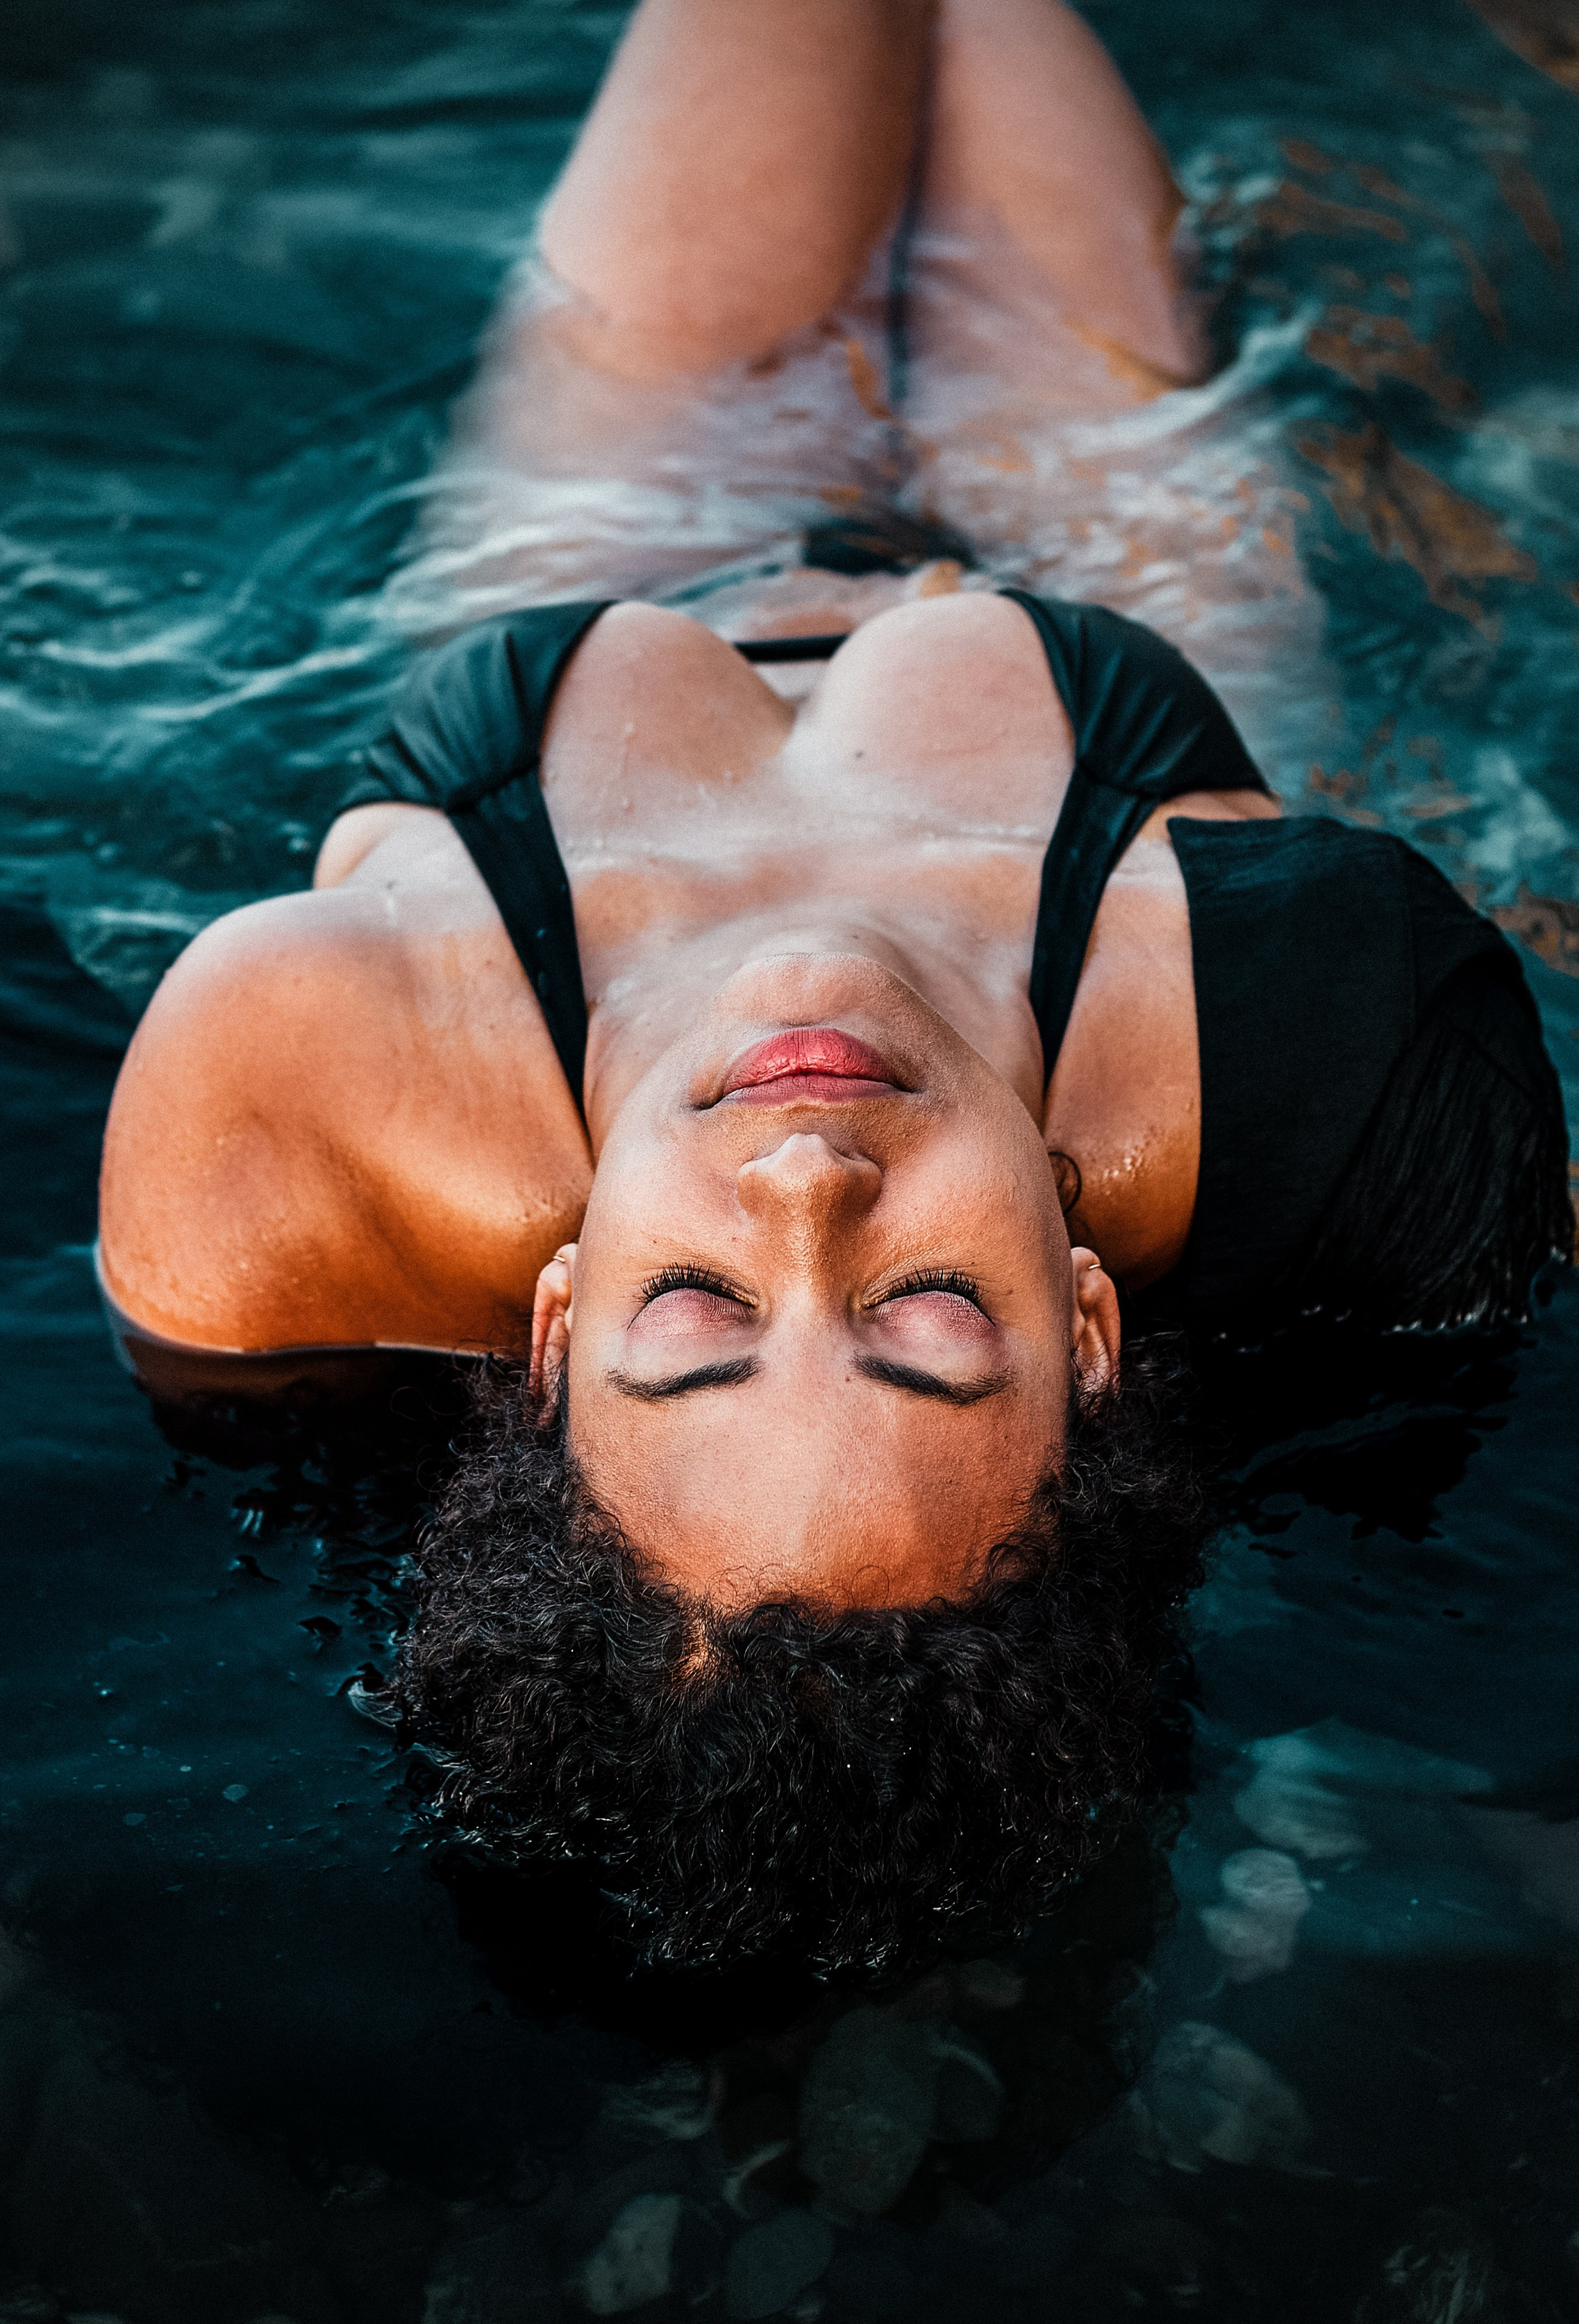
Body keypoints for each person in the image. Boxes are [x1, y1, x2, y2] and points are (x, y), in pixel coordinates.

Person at [97, 0, 1569, 1968]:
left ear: (549, 1330)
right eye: (933, 1317)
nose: (804, 1188)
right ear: (1091, 1328)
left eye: (692, 1311)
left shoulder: (299, 1104)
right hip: (1117, 597)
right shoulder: (1314, 1053)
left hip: (630, 546)